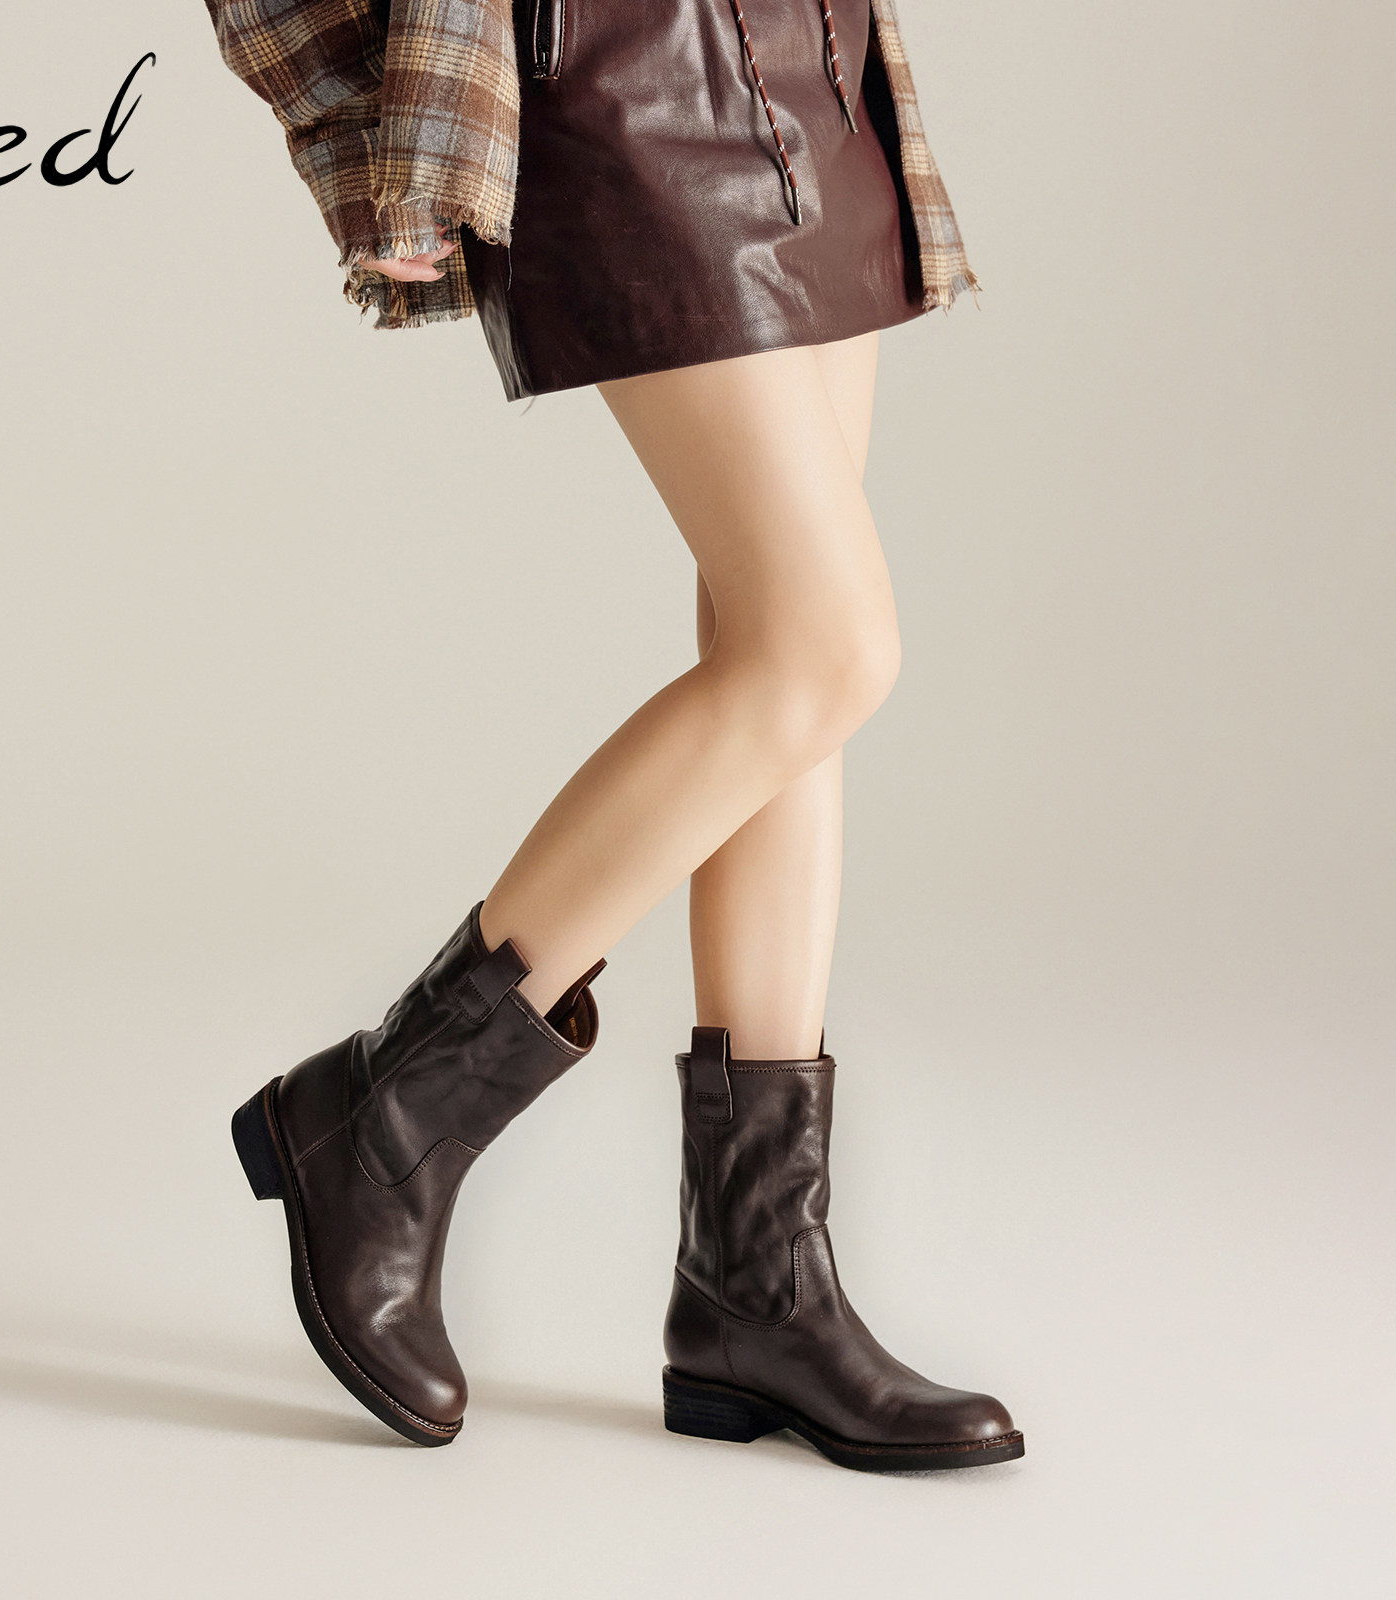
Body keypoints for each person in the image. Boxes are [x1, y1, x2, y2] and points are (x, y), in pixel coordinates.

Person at [208, 0, 1022, 1471]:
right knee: (822, 647)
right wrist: (394, 136)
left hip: (818, 59)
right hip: (616, 61)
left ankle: (758, 1290)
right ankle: (384, 1117)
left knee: (782, 669)